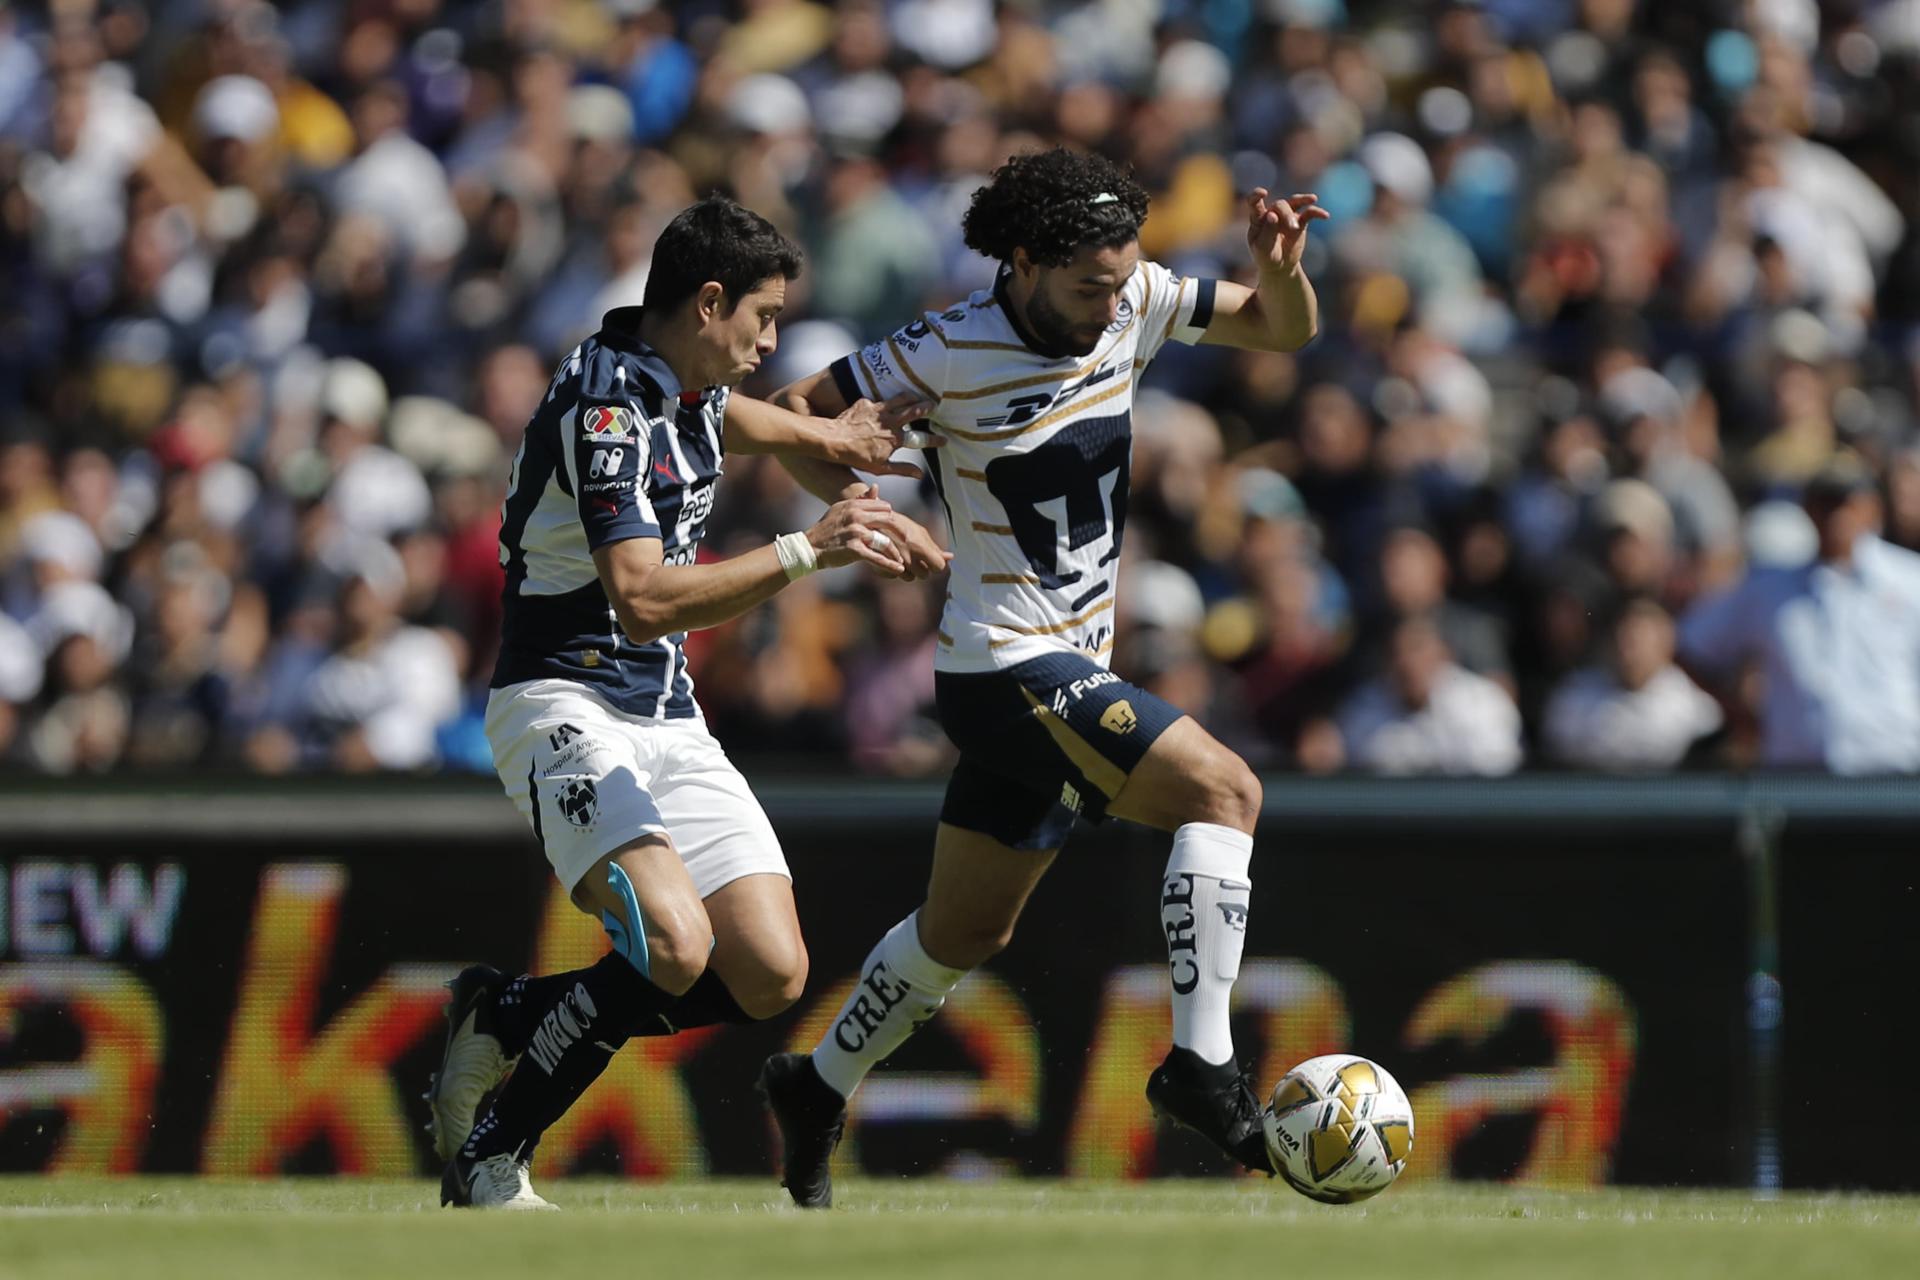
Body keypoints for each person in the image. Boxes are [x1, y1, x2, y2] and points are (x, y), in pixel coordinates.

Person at [757, 147, 1327, 1206]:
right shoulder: (946, 346)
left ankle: (815, 1077)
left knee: (966, 929)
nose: (1110, 303)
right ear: (1021, 263)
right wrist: (862, 505)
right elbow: (799, 408)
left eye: (1121, 281)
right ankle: (1202, 1064)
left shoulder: (1139, 296)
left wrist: (1279, 268)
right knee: (1226, 789)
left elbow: (1283, 329)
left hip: (1066, 663)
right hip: (1005, 663)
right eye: (1087, 285)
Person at [430, 195, 947, 1210]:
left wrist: (829, 435)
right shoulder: (609, 408)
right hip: (564, 700)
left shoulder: (688, 379)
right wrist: (810, 547)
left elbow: (738, 420)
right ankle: (491, 1156)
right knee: (672, 945)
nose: (770, 342)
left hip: (667, 716)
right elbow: (642, 597)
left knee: (768, 970)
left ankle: (505, 1013)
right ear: (710, 302)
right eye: (763, 318)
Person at [1679, 458, 1920, 774]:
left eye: (1846, 502)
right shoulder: (1770, 590)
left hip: (1895, 773)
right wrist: (1743, 717)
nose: (1836, 514)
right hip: (1800, 780)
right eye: (1825, 503)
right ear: (1808, 509)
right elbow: (1689, 645)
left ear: (1872, 508)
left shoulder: (1910, 580)